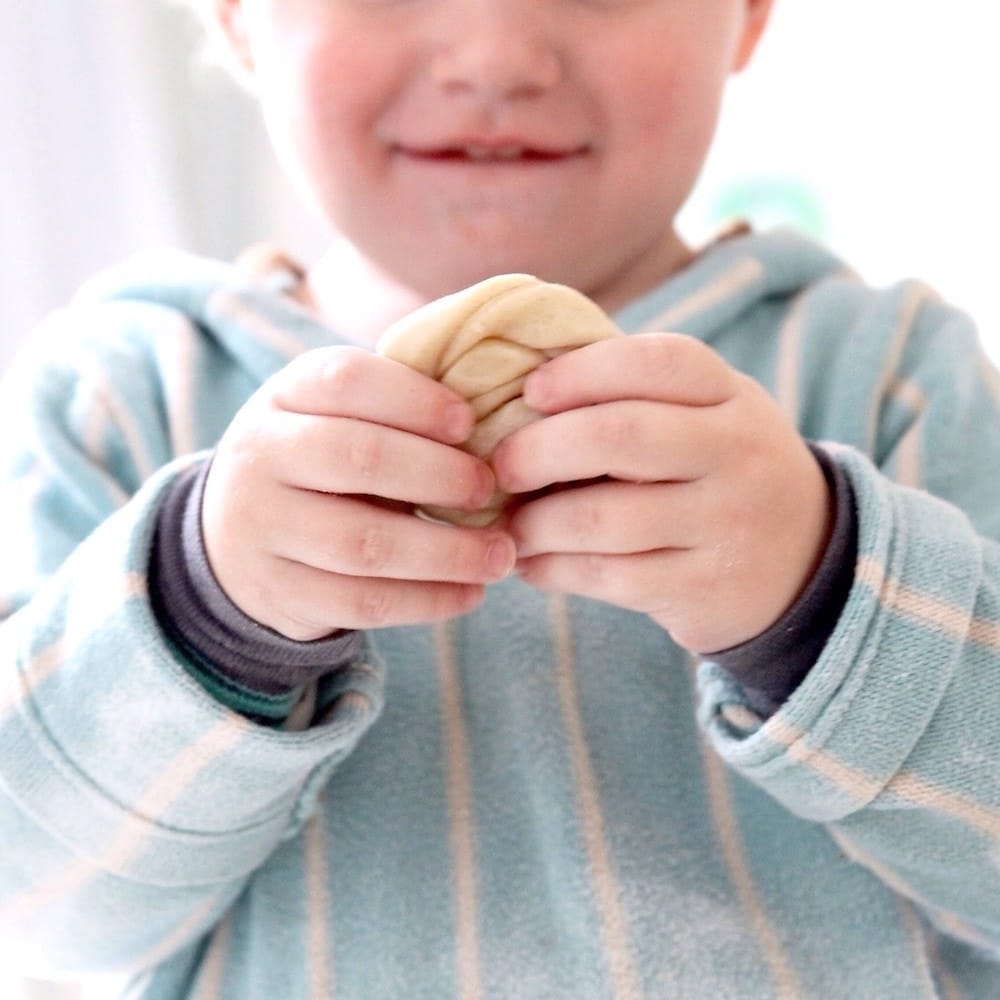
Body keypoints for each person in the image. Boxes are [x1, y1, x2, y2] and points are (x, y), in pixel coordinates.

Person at [0, 0, 997, 996]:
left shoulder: (887, 375)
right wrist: (198, 612)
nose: (495, 57)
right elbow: (34, 912)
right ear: (233, 18)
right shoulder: (121, 400)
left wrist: (830, 597)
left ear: (746, 15)